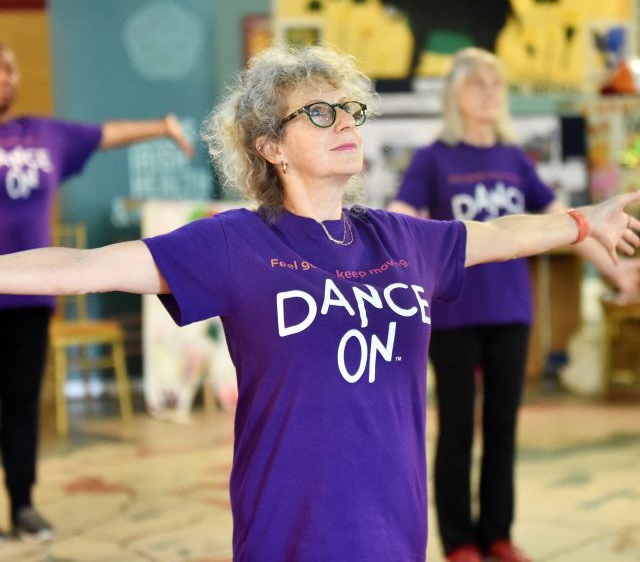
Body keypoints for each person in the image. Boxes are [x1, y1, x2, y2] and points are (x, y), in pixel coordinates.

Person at [0, 43, 637, 562]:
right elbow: (82, 268)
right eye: (319, 113)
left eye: (348, 109)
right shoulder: (236, 243)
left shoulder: (399, 237)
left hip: (396, 533)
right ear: (270, 147)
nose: (344, 123)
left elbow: (500, 234)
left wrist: (586, 221)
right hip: (290, 536)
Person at [389, 47, 640, 562]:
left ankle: (497, 534)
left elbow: (568, 221)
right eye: (478, 83)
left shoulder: (513, 159)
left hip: (510, 311)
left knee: (503, 427)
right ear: (456, 95)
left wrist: (616, 269)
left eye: (496, 85)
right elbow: (401, 219)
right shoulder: (433, 158)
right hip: (452, 314)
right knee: (456, 428)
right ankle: (459, 540)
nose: (490, 93)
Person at [0, 42, 194, 542]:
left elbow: (108, 135)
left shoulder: (43, 135)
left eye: (9, 66)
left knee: (20, 403)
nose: (4, 75)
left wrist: (164, 127)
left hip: (26, 298)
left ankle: (22, 504)